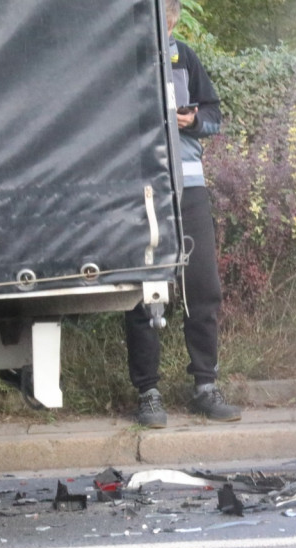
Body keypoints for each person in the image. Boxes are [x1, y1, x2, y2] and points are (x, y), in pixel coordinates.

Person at [124, 0, 240, 428]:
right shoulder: (122, 61)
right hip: (141, 190)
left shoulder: (184, 56)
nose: (164, 24)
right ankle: (148, 392)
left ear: (173, 19)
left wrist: (193, 120)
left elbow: (215, 116)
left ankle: (205, 386)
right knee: (143, 291)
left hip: (189, 187)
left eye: (169, 18)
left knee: (204, 286)